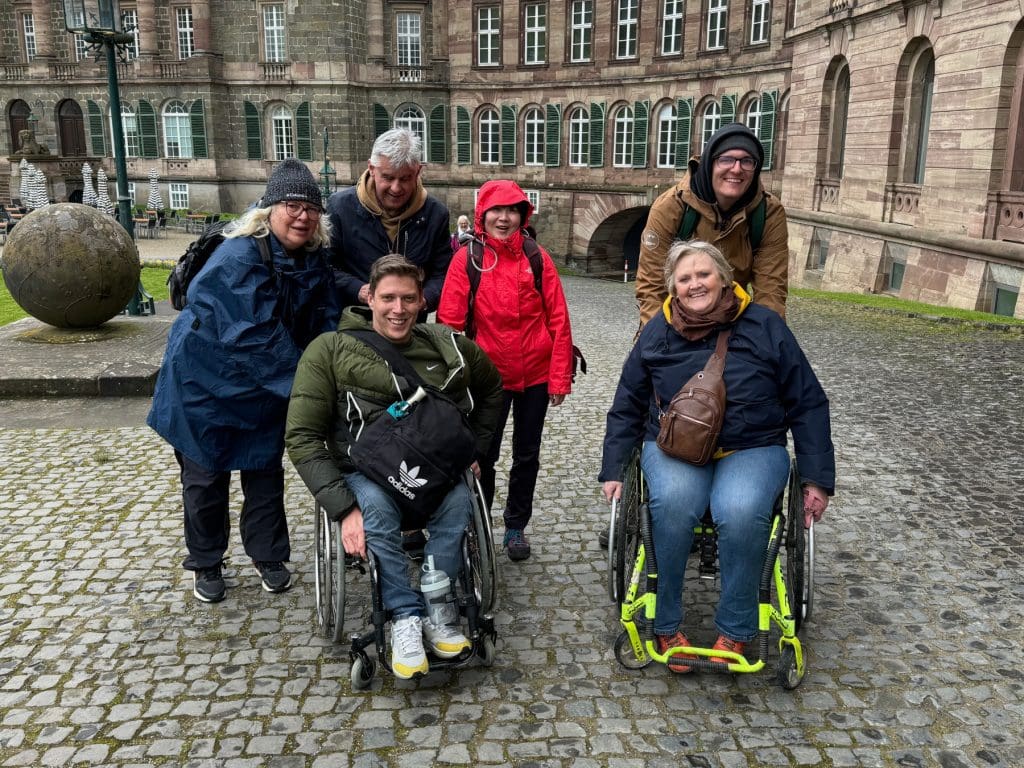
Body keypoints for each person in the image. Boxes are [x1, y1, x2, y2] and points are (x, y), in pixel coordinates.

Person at [600, 240, 834, 672]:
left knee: (741, 509)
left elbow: (807, 401)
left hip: (753, 446)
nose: (695, 285)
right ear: (673, 287)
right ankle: (665, 624)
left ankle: (737, 629)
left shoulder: (765, 326)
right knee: (671, 503)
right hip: (674, 447)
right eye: (684, 278)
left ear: (725, 278)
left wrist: (816, 479)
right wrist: (615, 467)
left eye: (703, 274)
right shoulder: (659, 329)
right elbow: (628, 399)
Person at [285, 255, 503, 680]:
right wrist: (343, 509)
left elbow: (493, 388)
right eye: (388, 298)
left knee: (458, 501)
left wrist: (474, 449)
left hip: (435, 472)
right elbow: (302, 437)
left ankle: (438, 610)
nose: (398, 309)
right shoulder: (328, 350)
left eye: (408, 298)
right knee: (378, 511)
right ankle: (404, 616)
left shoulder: (448, 345)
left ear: (423, 301)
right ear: (370, 297)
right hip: (364, 471)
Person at [148, 158, 340, 604]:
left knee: (264, 475)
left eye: (311, 208)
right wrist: (308, 388)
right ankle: (207, 562)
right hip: (203, 386)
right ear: (269, 209)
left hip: (261, 392)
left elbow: (324, 317)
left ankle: (268, 556)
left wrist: (331, 362)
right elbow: (253, 336)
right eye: (292, 205)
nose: (303, 216)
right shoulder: (238, 255)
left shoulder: (312, 257)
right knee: (205, 481)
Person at [437, 180, 575, 562]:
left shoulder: (537, 258)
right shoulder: (467, 260)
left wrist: (560, 376)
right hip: (488, 378)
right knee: (483, 454)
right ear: (483, 215)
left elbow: (558, 319)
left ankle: (515, 525)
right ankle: (478, 523)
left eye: (511, 210)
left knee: (527, 455)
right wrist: (455, 381)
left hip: (535, 374)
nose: (504, 217)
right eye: (497, 210)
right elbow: (449, 325)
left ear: (522, 215)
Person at [635, 122, 789, 326]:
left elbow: (771, 290)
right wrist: (661, 345)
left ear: (756, 167)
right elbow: (652, 287)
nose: (736, 169)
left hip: (734, 319)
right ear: (710, 163)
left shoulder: (768, 211)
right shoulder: (671, 207)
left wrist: (766, 341)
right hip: (678, 320)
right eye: (726, 159)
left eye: (747, 161)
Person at [326, 128, 452, 319]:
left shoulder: (436, 214)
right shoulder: (340, 207)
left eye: (405, 178)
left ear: (418, 171)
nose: (396, 188)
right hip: (356, 322)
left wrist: (424, 299)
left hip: (411, 326)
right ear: (371, 169)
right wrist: (358, 289)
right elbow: (326, 267)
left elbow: (443, 274)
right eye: (388, 177)